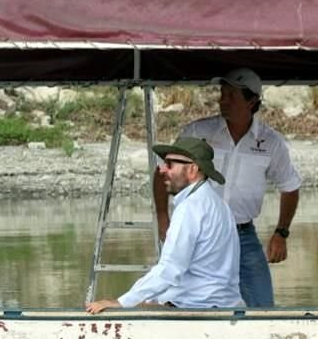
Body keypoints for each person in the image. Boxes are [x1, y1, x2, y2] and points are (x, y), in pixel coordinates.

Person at [153, 68, 301, 308]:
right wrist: (162, 217)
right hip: (197, 235)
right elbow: (163, 172)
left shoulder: (272, 142)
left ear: (252, 101)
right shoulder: (198, 132)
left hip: (243, 236)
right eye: (223, 93)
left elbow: (290, 186)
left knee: (263, 310)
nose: (223, 100)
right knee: (180, 308)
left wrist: (281, 233)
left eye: (231, 95)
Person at [87, 138, 242, 314]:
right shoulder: (217, 203)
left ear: (192, 170)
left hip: (198, 304)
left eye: (169, 164)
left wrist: (122, 302)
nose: (161, 170)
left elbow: (170, 269)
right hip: (224, 302)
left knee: (131, 307)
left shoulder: (190, 207)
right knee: (148, 300)